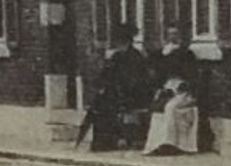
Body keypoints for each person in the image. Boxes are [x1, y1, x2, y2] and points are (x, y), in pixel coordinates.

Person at [75, 22, 151, 151]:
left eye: (121, 41)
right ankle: (99, 141)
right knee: (98, 104)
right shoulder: (117, 56)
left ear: (127, 41)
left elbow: (136, 80)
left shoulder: (135, 57)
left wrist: (116, 87)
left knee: (105, 105)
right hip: (117, 92)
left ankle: (106, 141)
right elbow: (107, 74)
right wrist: (101, 84)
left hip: (133, 95)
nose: (118, 44)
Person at [143, 27, 200, 155]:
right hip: (168, 88)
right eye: (170, 34)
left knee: (171, 108)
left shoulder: (187, 54)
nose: (172, 37)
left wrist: (185, 86)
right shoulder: (162, 54)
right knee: (158, 109)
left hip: (183, 91)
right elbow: (157, 74)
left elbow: (192, 76)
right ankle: (157, 143)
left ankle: (172, 143)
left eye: (175, 34)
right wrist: (162, 88)